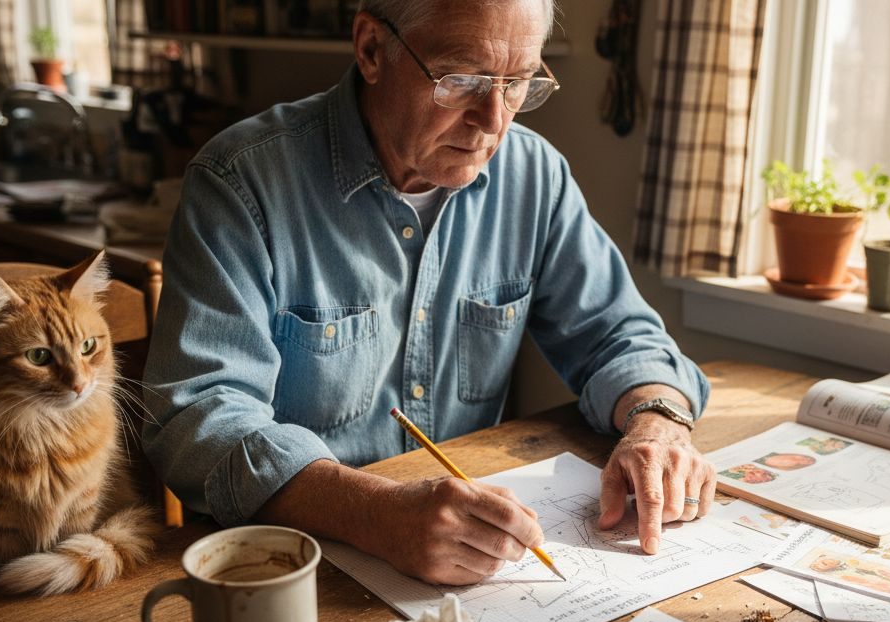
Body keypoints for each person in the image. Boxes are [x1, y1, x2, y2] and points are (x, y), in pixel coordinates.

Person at [143, 0, 715, 586]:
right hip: (284, 569)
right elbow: (199, 416)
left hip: (469, 557)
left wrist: (657, 422)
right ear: (371, 48)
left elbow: (618, 334)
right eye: (460, 79)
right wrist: (373, 512)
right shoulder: (241, 181)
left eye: (516, 83)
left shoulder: (533, 175)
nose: (493, 119)